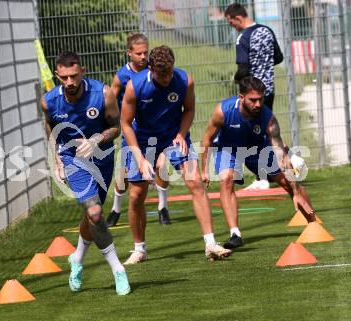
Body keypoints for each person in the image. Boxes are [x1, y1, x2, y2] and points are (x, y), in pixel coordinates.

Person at [121, 45, 232, 264]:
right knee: (136, 196)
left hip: (174, 137)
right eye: (162, 74)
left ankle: (210, 244)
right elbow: (125, 124)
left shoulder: (184, 81)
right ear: (151, 69)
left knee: (196, 183)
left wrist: (182, 134)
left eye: (170, 72)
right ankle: (139, 249)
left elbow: (189, 109)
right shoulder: (135, 87)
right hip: (142, 141)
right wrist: (140, 159)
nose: (167, 78)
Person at [41, 51, 130, 295]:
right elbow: (50, 128)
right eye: (64, 78)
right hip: (72, 160)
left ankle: (77, 259)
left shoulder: (102, 94)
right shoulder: (49, 101)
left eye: (73, 76)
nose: (70, 82)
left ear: (82, 71)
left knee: (93, 217)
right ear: (58, 75)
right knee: (94, 212)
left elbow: (116, 127)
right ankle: (118, 270)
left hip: (102, 158)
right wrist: (57, 160)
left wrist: (97, 138)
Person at [201, 76, 316, 249]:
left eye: (260, 99)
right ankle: (235, 234)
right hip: (228, 148)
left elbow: (282, 157)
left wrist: (295, 189)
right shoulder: (223, 111)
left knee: (287, 182)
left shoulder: (268, 118)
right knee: (226, 179)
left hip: (257, 148)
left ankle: (313, 223)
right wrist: (204, 170)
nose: (257, 104)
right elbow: (207, 139)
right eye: (253, 100)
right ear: (241, 97)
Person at [225, 3, 307, 190]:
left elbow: (244, 67)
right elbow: (278, 57)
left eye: (231, 23)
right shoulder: (266, 31)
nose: (233, 27)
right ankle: (292, 160)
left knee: (254, 134)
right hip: (268, 90)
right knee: (267, 130)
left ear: (237, 18)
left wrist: (236, 78)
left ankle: (262, 177)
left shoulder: (243, 38)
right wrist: (264, 62)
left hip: (252, 93)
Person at [106, 33, 172, 227]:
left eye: (146, 52)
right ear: (129, 53)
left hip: (157, 129)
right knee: (124, 171)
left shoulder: (156, 72)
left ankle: (163, 208)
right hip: (132, 130)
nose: (143, 57)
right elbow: (110, 100)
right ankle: (116, 209)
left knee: (162, 166)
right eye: (139, 53)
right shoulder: (122, 76)